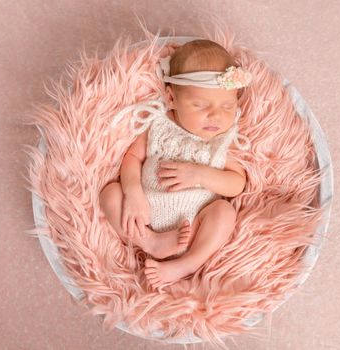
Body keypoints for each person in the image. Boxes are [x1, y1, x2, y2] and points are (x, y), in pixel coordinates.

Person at [98, 39, 252, 291]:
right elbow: (132, 158)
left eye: (227, 106)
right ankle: (148, 243)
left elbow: (237, 183)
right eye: (200, 105)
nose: (215, 115)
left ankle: (188, 263)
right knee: (110, 194)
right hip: (142, 215)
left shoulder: (222, 140)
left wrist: (201, 175)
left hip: (196, 225)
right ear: (171, 98)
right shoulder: (158, 125)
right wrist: (133, 192)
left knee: (224, 212)